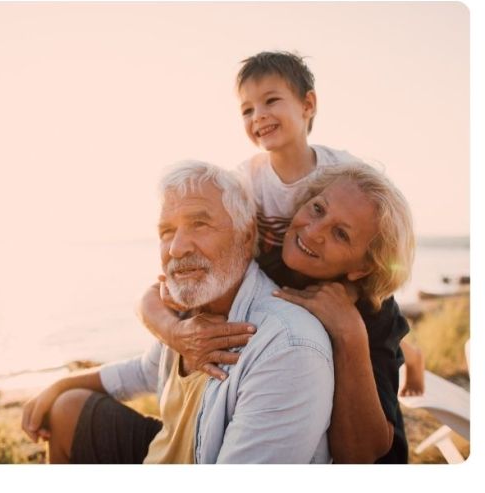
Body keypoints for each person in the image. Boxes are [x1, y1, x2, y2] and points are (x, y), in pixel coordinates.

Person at [21, 161, 335, 464]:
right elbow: (144, 371)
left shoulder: (288, 346)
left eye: (199, 224)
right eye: (167, 231)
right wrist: (58, 385)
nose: (177, 248)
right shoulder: (189, 308)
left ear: (246, 234)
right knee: (67, 409)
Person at [136, 162, 417, 462]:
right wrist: (174, 331)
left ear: (361, 268)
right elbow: (152, 297)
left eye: (341, 234)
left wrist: (349, 333)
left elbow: (361, 455)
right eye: (318, 209)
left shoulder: (375, 315)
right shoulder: (273, 259)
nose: (314, 231)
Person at [232, 51, 359, 253]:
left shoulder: (343, 169)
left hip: (323, 272)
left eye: (271, 100)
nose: (257, 116)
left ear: (307, 105)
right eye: (247, 110)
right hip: (267, 277)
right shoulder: (246, 178)